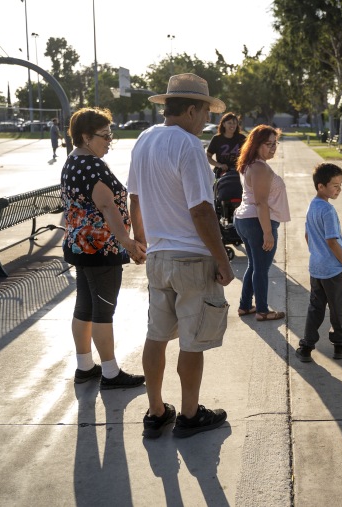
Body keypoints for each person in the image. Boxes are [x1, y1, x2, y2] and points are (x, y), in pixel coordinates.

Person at [128, 73, 235, 439]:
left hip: (158, 258)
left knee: (156, 336)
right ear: (190, 109)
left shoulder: (144, 140)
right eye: (205, 111)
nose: (206, 120)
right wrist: (222, 259)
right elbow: (202, 211)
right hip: (192, 259)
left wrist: (139, 238)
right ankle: (190, 415)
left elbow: (135, 198)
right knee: (193, 341)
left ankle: (156, 411)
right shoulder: (188, 146)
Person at [61, 107, 147, 390]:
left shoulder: (73, 161)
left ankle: (85, 367)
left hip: (81, 246)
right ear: (86, 137)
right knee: (103, 311)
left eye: (111, 134)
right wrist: (128, 243)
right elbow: (107, 205)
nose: (110, 140)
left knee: (85, 306)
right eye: (105, 135)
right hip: (100, 250)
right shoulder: (92, 166)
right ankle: (110, 373)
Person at [234, 125, 290, 321]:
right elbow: (260, 202)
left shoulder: (252, 164)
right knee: (262, 269)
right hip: (257, 223)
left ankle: (245, 305)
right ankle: (263, 311)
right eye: (268, 144)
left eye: (275, 143)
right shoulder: (259, 168)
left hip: (246, 220)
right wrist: (267, 232)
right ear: (257, 144)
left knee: (254, 265)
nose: (273, 148)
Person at [296, 163, 342, 362]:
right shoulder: (328, 210)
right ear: (321, 186)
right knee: (338, 311)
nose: (339, 189)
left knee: (315, 309)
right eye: (335, 186)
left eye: (340, 185)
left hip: (317, 268)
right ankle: (339, 346)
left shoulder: (312, 206)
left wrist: (315, 253)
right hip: (333, 270)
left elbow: (307, 234)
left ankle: (306, 347)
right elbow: (331, 240)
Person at [206, 112, 246, 177]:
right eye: (229, 123)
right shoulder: (216, 139)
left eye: (234, 123)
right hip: (221, 174)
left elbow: (250, 154)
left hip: (238, 174)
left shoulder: (242, 138)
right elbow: (208, 156)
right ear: (223, 124)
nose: (232, 125)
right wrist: (219, 165)